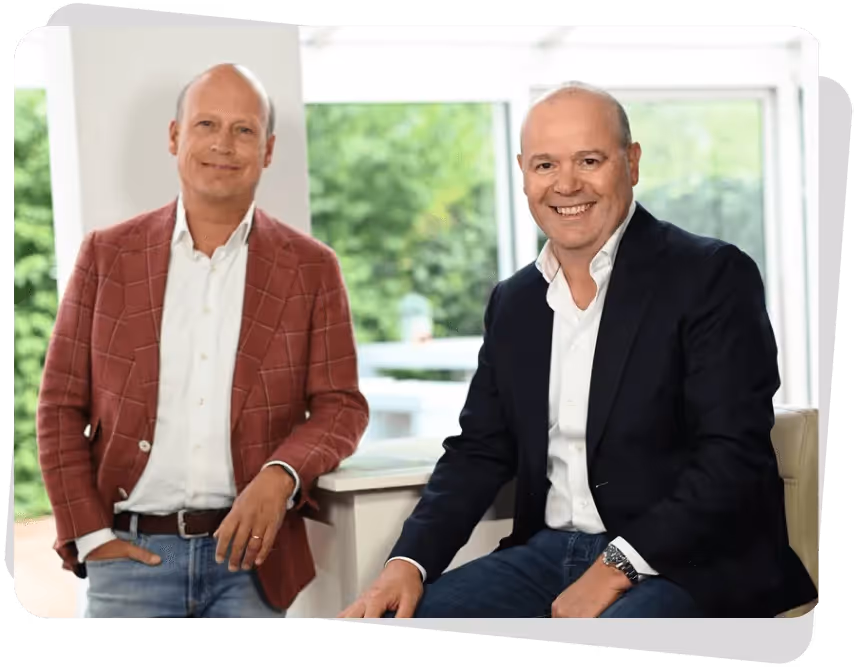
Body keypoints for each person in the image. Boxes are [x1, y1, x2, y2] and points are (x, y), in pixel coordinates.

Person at [338, 82, 818, 618]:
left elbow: (731, 457)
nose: (566, 184)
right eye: (545, 165)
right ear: (523, 172)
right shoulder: (515, 302)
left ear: (631, 163)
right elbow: (479, 449)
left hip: (690, 561)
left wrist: (617, 567)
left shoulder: (712, 276)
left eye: (589, 160)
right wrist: (408, 561)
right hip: (546, 554)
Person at [36, 63, 369, 618]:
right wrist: (91, 535)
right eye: (206, 124)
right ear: (175, 137)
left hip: (253, 564)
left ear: (267, 150)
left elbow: (341, 406)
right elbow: (59, 407)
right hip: (130, 560)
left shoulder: (312, 268)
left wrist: (280, 474)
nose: (224, 144)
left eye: (244, 130)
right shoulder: (106, 256)